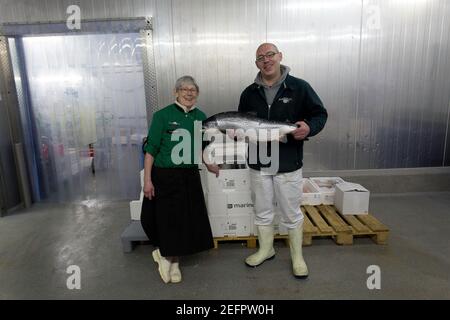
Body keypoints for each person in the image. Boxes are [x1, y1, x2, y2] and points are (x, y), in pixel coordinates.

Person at [238, 43, 328, 278]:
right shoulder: (248, 93)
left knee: (291, 212)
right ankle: (266, 249)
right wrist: (237, 132)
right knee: (262, 210)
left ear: (280, 57)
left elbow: (320, 114)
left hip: (287, 163)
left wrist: (309, 128)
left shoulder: (299, 88)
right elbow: (242, 123)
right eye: (260, 57)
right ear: (256, 63)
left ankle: (297, 257)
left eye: (270, 55)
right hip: (259, 162)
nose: (266, 60)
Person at [140, 75, 219, 284]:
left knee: (185, 219)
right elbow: (151, 150)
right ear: (176, 92)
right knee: (169, 220)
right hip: (165, 176)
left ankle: (174, 259)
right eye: (184, 89)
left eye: (193, 89)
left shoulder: (201, 117)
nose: (189, 93)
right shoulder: (162, 116)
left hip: (190, 176)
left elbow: (200, 147)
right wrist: (147, 180)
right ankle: (167, 258)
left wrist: (209, 163)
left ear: (197, 93)